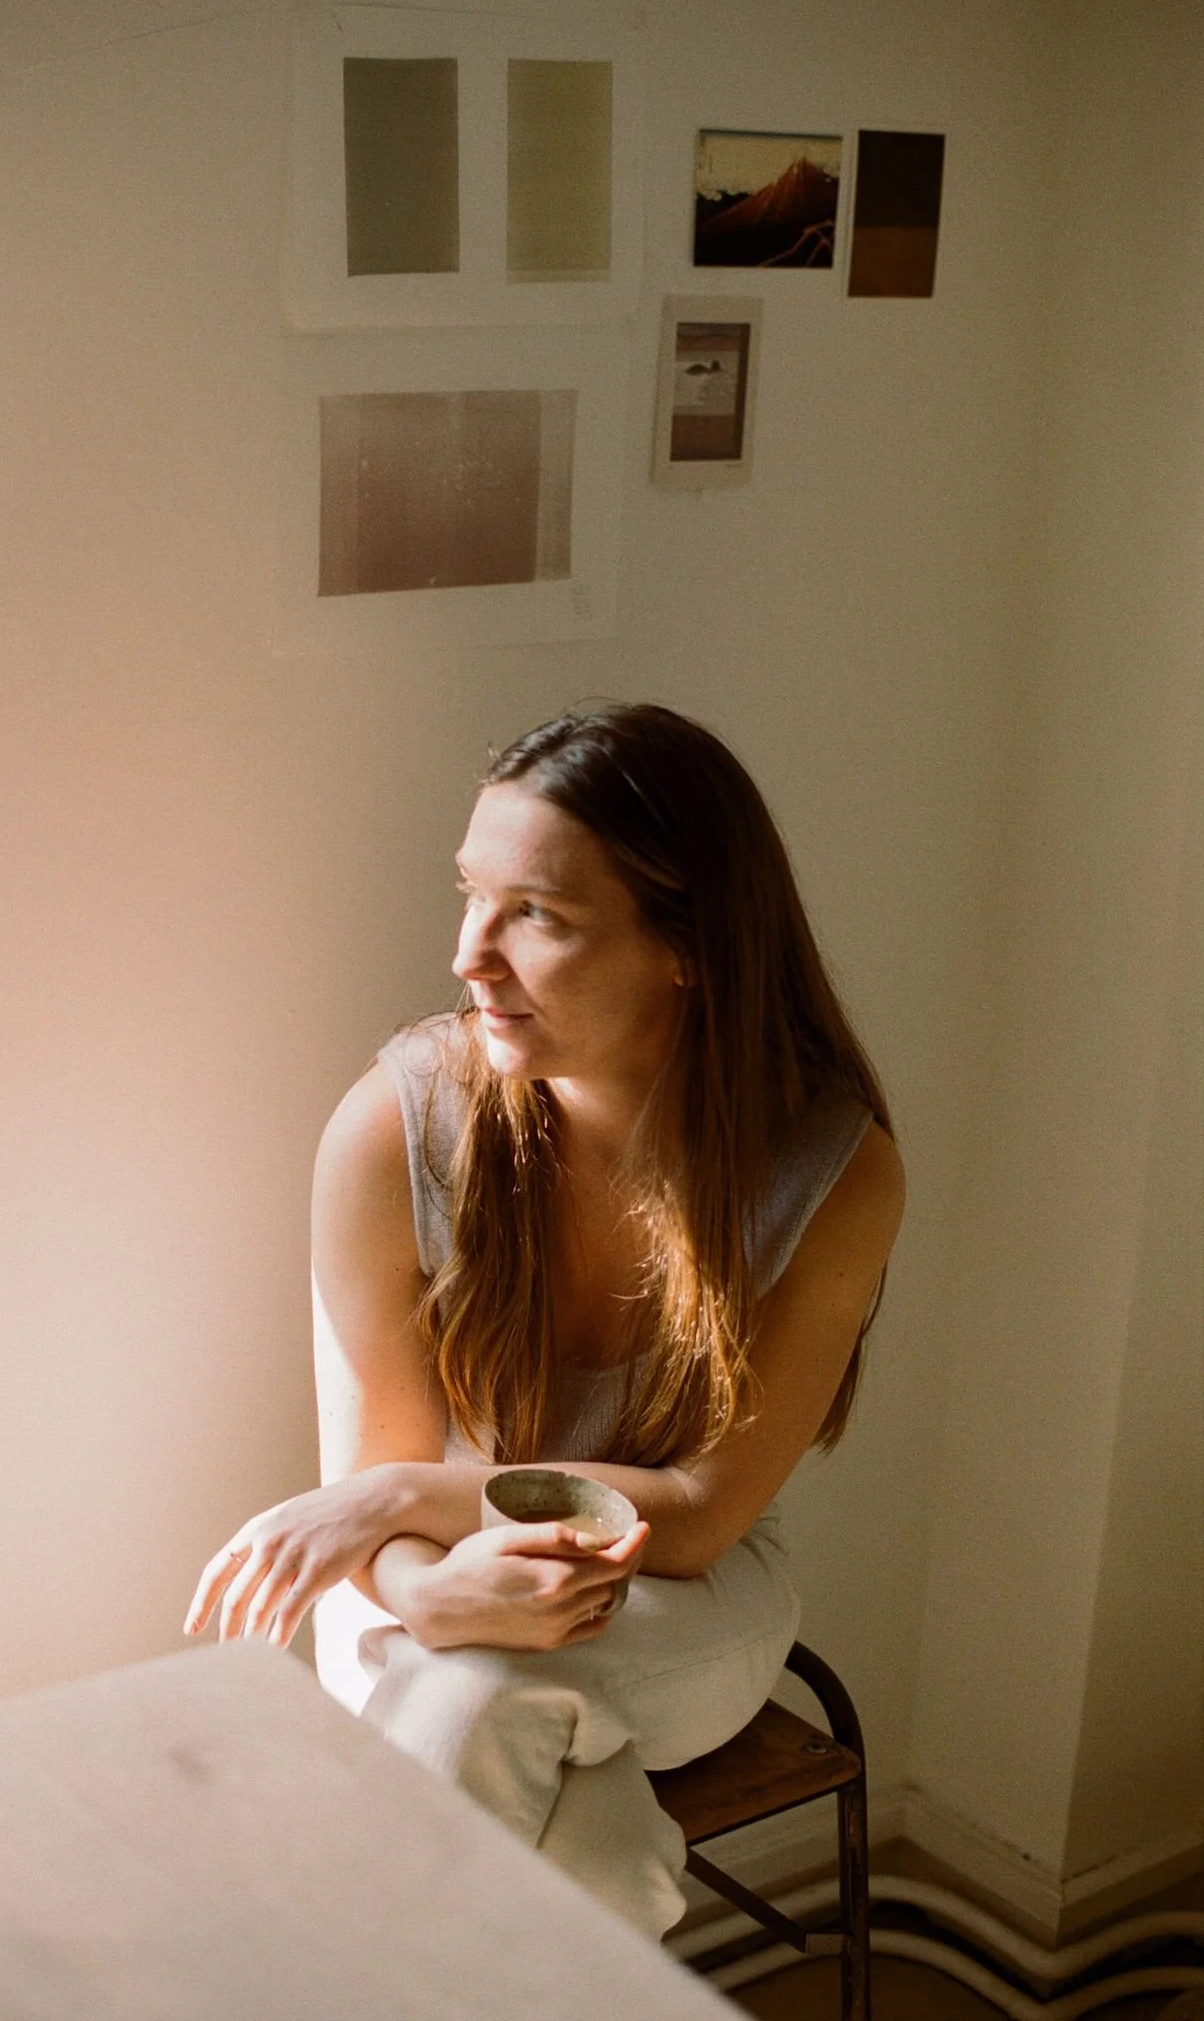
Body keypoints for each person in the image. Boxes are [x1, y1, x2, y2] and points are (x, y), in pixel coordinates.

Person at [185, 703, 905, 1937]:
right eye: (472, 894)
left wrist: (390, 1505)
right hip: (408, 1571)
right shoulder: (391, 1127)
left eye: (538, 915)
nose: (471, 952)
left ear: (687, 947)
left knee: (482, 1696)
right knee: (595, 1852)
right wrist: (421, 1587)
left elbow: (692, 1515)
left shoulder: (831, 1174)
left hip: (675, 1596)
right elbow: (375, 1493)